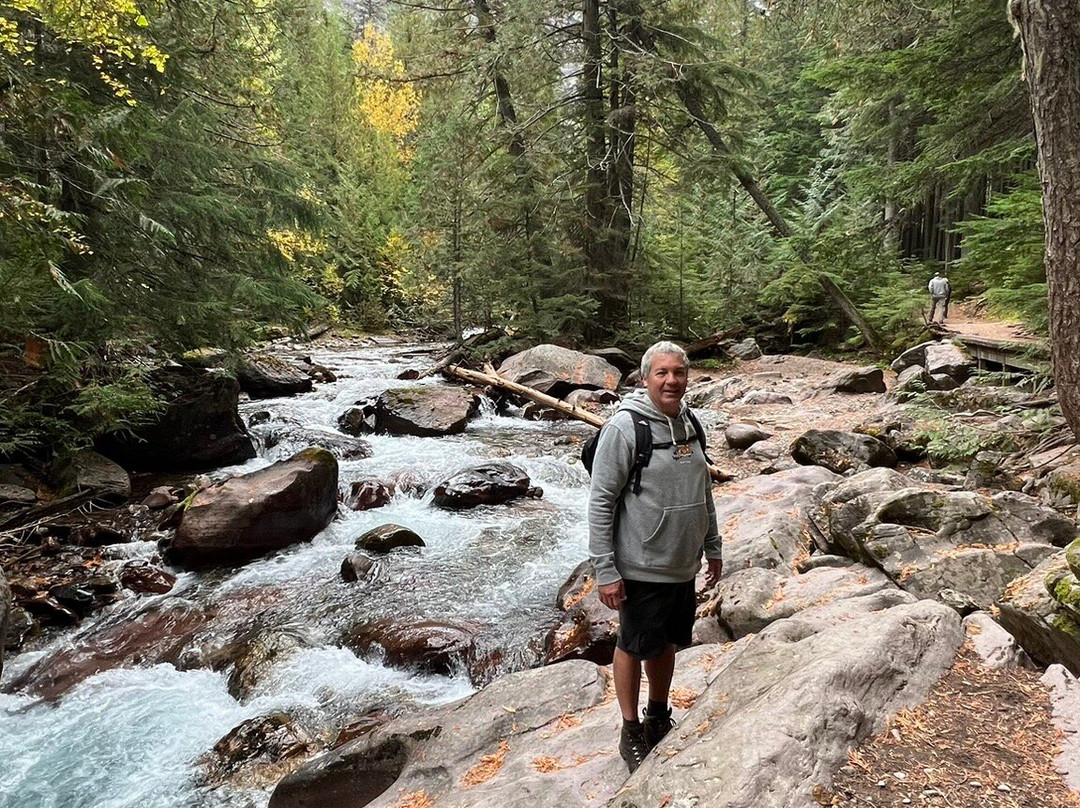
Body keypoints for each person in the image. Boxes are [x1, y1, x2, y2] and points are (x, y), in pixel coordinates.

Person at [587, 341, 722, 774]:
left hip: (682, 563)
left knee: (665, 643)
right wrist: (604, 569)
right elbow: (601, 501)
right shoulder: (626, 428)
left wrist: (713, 545)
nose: (671, 380)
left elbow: (703, 490)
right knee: (631, 644)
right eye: (662, 373)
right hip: (640, 563)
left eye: (678, 372)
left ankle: (657, 715)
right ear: (644, 379)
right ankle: (630, 730)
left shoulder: (690, 423)